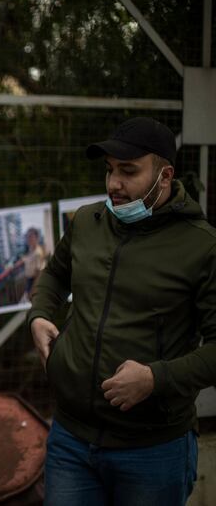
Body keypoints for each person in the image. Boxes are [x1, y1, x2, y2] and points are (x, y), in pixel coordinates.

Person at [28, 117, 214, 505]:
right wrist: (41, 315)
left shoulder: (202, 247)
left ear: (165, 175)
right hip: (70, 439)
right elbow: (54, 274)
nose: (114, 184)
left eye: (128, 171)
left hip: (153, 450)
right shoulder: (87, 222)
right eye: (110, 171)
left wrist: (155, 378)